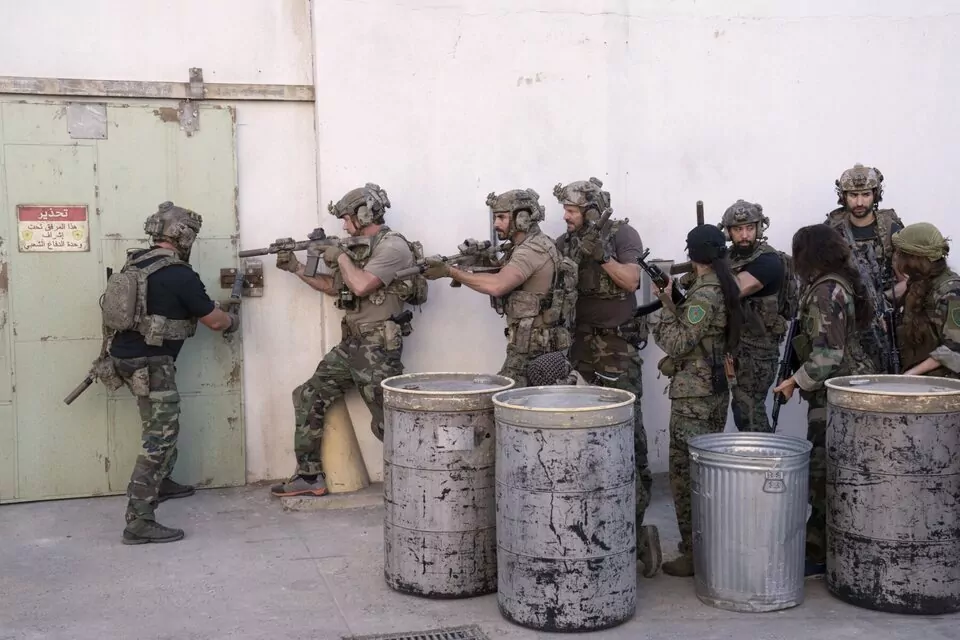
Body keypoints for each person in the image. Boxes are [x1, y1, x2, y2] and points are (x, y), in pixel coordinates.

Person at [270, 183, 424, 498]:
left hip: (377, 348)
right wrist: (296, 267)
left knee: (389, 420)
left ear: (364, 213)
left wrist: (340, 255)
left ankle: (422, 482)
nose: (342, 225)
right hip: (352, 344)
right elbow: (334, 287)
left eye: (345, 218)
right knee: (308, 395)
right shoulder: (359, 249)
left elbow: (362, 285)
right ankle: (309, 476)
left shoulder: (393, 247)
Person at [108, 201, 239, 544]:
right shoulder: (180, 274)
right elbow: (214, 321)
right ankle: (139, 521)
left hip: (126, 358)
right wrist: (232, 319)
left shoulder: (136, 262)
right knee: (159, 439)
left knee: (160, 426)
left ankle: (162, 483)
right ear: (184, 236)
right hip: (151, 364)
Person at [553, 177, 661, 577]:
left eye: (572, 210)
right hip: (577, 350)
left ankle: (633, 529)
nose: (566, 217)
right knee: (579, 441)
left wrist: (600, 257)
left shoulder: (621, 235)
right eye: (565, 210)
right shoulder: (564, 243)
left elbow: (631, 281)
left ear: (593, 211)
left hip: (615, 350)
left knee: (626, 438)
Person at [772, 224, 876, 576]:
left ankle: (819, 551)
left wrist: (793, 381)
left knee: (822, 471)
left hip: (834, 393)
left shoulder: (825, 291)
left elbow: (828, 355)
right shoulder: (839, 282)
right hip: (846, 389)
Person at [651, 224, 743, 577]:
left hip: (695, 395)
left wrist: (661, 308)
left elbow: (678, 343)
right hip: (713, 389)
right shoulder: (723, 284)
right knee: (706, 472)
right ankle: (708, 545)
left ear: (693, 254)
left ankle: (695, 554)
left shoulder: (705, 293)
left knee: (686, 474)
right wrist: (673, 299)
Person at [422, 188, 578, 387]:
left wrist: (450, 272)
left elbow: (498, 285)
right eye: (495, 217)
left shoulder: (531, 250)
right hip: (531, 347)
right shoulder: (526, 245)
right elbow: (503, 273)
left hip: (534, 352)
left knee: (509, 398)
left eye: (502, 217)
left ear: (522, 218)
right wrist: (480, 261)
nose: (496, 224)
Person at [718, 200, 793, 433]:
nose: (744, 235)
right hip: (735, 346)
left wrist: (708, 269)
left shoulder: (768, 260)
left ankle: (764, 452)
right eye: (738, 229)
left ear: (759, 228)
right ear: (728, 232)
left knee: (749, 411)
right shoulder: (727, 257)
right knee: (742, 409)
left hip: (758, 351)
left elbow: (734, 290)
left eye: (749, 228)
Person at [826, 164, 905, 372]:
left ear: (876, 194)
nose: (860, 202)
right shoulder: (832, 231)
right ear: (843, 196)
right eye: (853, 195)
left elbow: (909, 282)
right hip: (846, 320)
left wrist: (881, 299)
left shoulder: (890, 230)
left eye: (865, 194)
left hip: (885, 321)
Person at [891, 223, 960, 378]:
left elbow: (955, 347)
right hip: (921, 381)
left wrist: (910, 375)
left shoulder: (951, 292)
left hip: (944, 384)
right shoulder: (918, 283)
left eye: (901, 254)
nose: (896, 258)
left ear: (915, 258)